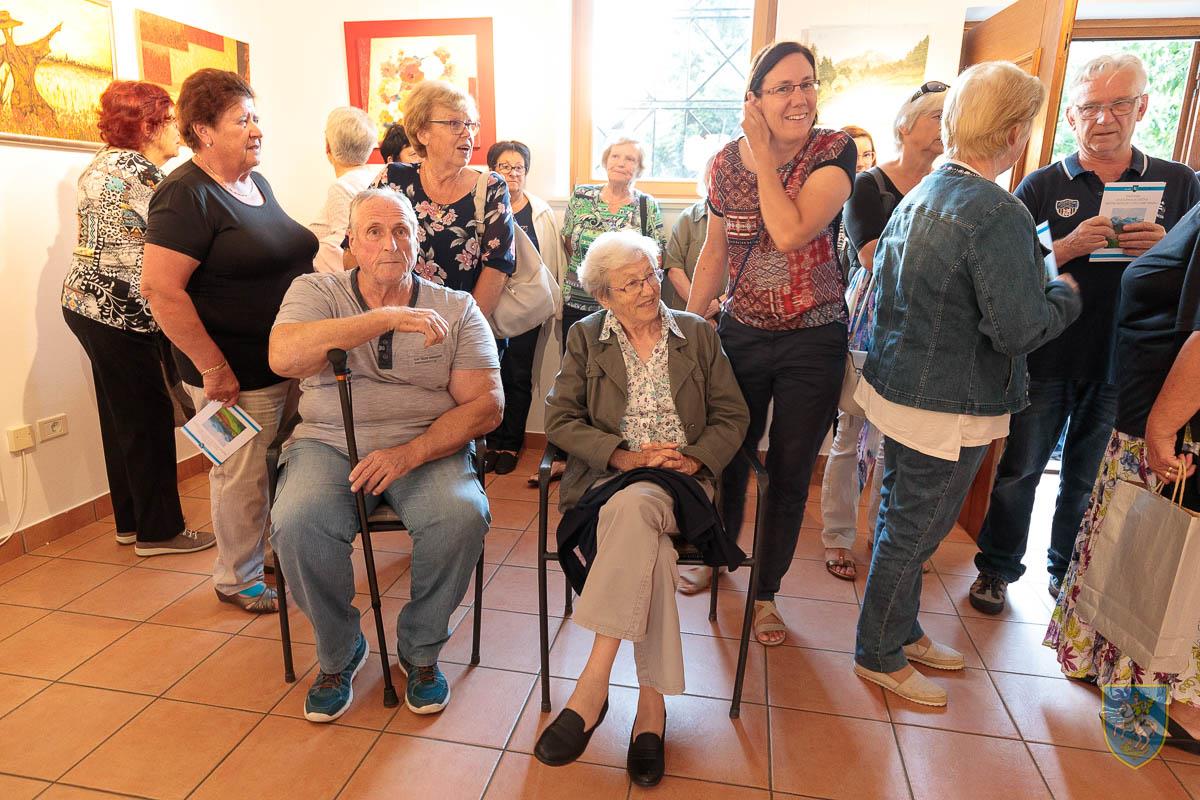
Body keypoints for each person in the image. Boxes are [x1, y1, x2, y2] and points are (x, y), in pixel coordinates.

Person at [852, 61, 1081, 707]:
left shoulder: (925, 188)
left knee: (901, 515)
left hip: (903, 385)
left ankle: (901, 629)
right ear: (1012, 132)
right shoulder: (996, 211)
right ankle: (878, 651)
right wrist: (1064, 296)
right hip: (947, 401)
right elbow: (1017, 328)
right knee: (916, 530)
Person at [968, 54, 1200, 615]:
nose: (1104, 118)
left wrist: (1166, 247)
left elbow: (1194, 278)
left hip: (1128, 364)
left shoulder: (1179, 183)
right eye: (1091, 106)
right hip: (1048, 354)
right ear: (1072, 115)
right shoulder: (1041, 184)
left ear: (1143, 106)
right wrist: (1067, 247)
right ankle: (996, 568)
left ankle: (1065, 574)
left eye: (1119, 104)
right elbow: (1007, 275)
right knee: (1020, 470)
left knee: (1087, 479)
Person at [269, 188, 500, 722]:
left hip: (425, 445)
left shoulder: (457, 307)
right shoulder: (315, 291)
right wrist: (386, 318)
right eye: (374, 232)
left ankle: (420, 650)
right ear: (351, 243)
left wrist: (409, 454)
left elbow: (488, 406)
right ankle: (340, 651)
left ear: (418, 242)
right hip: (328, 443)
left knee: (461, 515)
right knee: (297, 521)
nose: (390, 244)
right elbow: (284, 356)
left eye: (401, 232)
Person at [536, 230, 748, 785]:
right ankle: (650, 710)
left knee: (639, 506)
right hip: (607, 484)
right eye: (629, 284)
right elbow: (559, 420)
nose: (648, 289)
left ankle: (593, 686)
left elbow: (733, 415)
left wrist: (695, 460)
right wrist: (623, 456)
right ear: (604, 296)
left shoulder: (696, 334)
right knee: (644, 535)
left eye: (649, 275)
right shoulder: (586, 338)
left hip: (682, 484)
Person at [686, 41, 857, 645]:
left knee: (789, 469)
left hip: (815, 338)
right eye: (784, 87)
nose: (800, 97)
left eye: (807, 83)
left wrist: (762, 157)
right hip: (743, 333)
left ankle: (766, 593)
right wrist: (688, 329)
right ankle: (717, 554)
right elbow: (714, 251)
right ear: (753, 100)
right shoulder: (721, 164)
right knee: (728, 455)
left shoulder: (833, 150)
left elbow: (789, 233)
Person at [141, 68, 317, 613]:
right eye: (242, 120)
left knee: (275, 465)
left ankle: (265, 553)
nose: (256, 129)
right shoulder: (183, 196)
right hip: (231, 373)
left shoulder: (255, 184)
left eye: (255, 117)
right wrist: (213, 368)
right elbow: (161, 290)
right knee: (240, 473)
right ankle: (237, 578)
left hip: (283, 360)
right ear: (204, 130)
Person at [1045, 202, 1200, 738]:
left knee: (1167, 562)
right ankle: (1117, 674)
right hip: (1148, 413)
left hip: (1176, 427)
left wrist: (1162, 426)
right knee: (1136, 554)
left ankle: (1174, 705)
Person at [61, 80, 212, 556]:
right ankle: (159, 531)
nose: (177, 131)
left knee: (120, 417)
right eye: (169, 121)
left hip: (85, 304)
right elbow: (174, 243)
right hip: (120, 309)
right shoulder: (145, 175)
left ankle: (131, 522)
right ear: (147, 126)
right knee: (146, 418)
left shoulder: (100, 164)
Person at [821, 83, 947, 581]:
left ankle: (882, 533)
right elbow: (873, 256)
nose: (943, 126)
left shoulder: (949, 186)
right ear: (905, 126)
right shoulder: (868, 185)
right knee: (850, 432)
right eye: (935, 116)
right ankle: (837, 537)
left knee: (899, 439)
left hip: (927, 323)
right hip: (871, 319)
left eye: (949, 116)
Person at [368, 80, 515, 316]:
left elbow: (498, 267)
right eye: (455, 123)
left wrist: (464, 328)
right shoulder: (393, 178)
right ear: (422, 133)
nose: (467, 133)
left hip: (463, 323)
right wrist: (381, 317)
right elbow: (355, 248)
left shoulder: (491, 187)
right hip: (396, 321)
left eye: (471, 124)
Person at [483, 140, 566, 475]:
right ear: (492, 171)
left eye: (518, 167)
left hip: (526, 309)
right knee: (489, 374)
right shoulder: (483, 207)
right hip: (487, 306)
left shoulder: (539, 212)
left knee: (519, 375)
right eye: (504, 167)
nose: (512, 173)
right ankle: (490, 441)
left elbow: (553, 264)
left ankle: (511, 442)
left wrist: (554, 306)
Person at [561, 137, 667, 337]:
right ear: (606, 160)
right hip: (577, 299)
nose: (620, 163)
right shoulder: (581, 196)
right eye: (615, 156)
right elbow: (569, 244)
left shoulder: (646, 204)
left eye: (630, 159)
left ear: (639, 168)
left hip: (626, 304)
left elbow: (657, 258)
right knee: (576, 354)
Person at [309, 107, 380, 273]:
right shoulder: (379, 173)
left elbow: (345, 248)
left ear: (328, 147)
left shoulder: (342, 187)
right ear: (370, 148)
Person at [661, 152, 725, 315]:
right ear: (705, 179)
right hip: (688, 311)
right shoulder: (688, 218)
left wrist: (718, 304)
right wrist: (699, 310)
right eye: (713, 176)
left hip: (729, 312)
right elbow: (674, 269)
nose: (719, 183)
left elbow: (750, 274)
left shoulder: (749, 221)